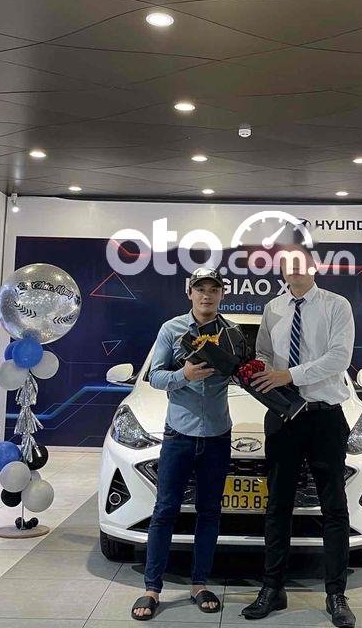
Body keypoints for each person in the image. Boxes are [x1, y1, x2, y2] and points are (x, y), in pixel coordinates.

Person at [242, 244, 357, 628]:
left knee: (333, 507)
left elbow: (338, 358)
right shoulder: (273, 308)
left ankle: (336, 594)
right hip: (283, 418)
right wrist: (257, 370)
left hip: (325, 417)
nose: (293, 268)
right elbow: (263, 352)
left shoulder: (336, 306)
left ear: (313, 266)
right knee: (277, 505)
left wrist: (288, 375)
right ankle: (272, 588)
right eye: (286, 263)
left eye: (299, 262)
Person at [131, 266, 233, 621]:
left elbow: (245, 371)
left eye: (214, 289)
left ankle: (199, 584)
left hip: (218, 436)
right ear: (189, 293)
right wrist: (183, 375)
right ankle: (152, 588)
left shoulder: (232, 333)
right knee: (165, 511)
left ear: (222, 294)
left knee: (209, 512)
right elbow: (155, 376)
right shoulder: (171, 329)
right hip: (178, 435)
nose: (207, 295)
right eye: (200, 289)